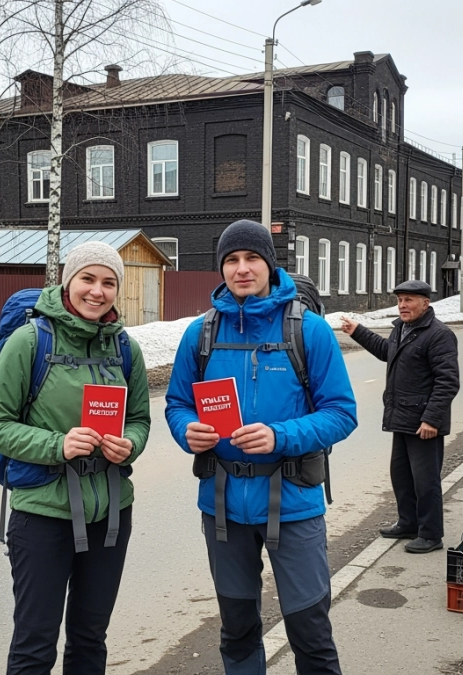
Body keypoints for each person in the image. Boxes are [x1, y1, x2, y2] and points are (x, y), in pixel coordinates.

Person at [166, 220, 358, 675]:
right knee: (237, 629)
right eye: (231, 260)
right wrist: (187, 429)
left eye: (252, 258)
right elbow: (177, 403)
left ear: (270, 264)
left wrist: (280, 436)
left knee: (310, 631)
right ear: (221, 268)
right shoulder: (200, 334)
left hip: (293, 504)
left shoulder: (308, 331)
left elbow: (342, 413)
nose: (242, 268)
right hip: (222, 507)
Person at [0, 242, 151, 675]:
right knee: (35, 645)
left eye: (109, 282)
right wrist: (57, 445)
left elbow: (141, 419)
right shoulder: (30, 341)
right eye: (88, 279)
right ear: (67, 282)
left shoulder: (125, 349)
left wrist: (129, 443)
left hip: (111, 512)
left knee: (90, 640)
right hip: (42, 515)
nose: (97, 291)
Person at [338, 279, 460, 554]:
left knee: (425, 480)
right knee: (402, 475)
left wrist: (431, 419)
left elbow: (448, 382)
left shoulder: (438, 335)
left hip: (423, 423)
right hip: (402, 417)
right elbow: (386, 352)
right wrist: (358, 331)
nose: (402, 305)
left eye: (409, 300)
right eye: (400, 300)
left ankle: (431, 534)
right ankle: (409, 523)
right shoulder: (402, 329)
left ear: (425, 303)